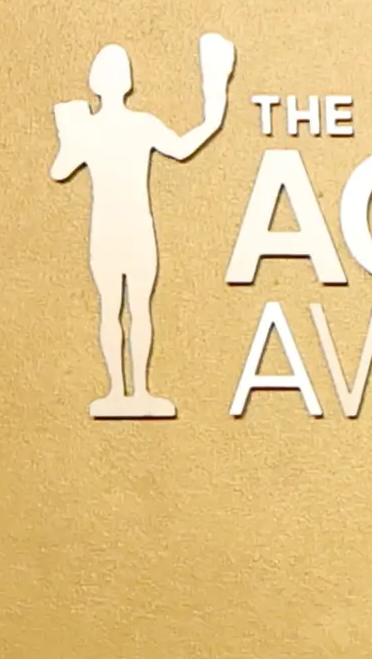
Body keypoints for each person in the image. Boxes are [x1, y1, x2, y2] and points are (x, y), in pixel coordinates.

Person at [52, 36, 237, 417]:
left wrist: (68, 134)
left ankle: (126, 392)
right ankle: (128, 393)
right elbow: (184, 146)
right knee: (134, 310)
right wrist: (213, 113)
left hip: (117, 231)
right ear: (124, 82)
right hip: (130, 231)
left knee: (117, 309)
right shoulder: (135, 125)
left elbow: (61, 167)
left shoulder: (95, 129)